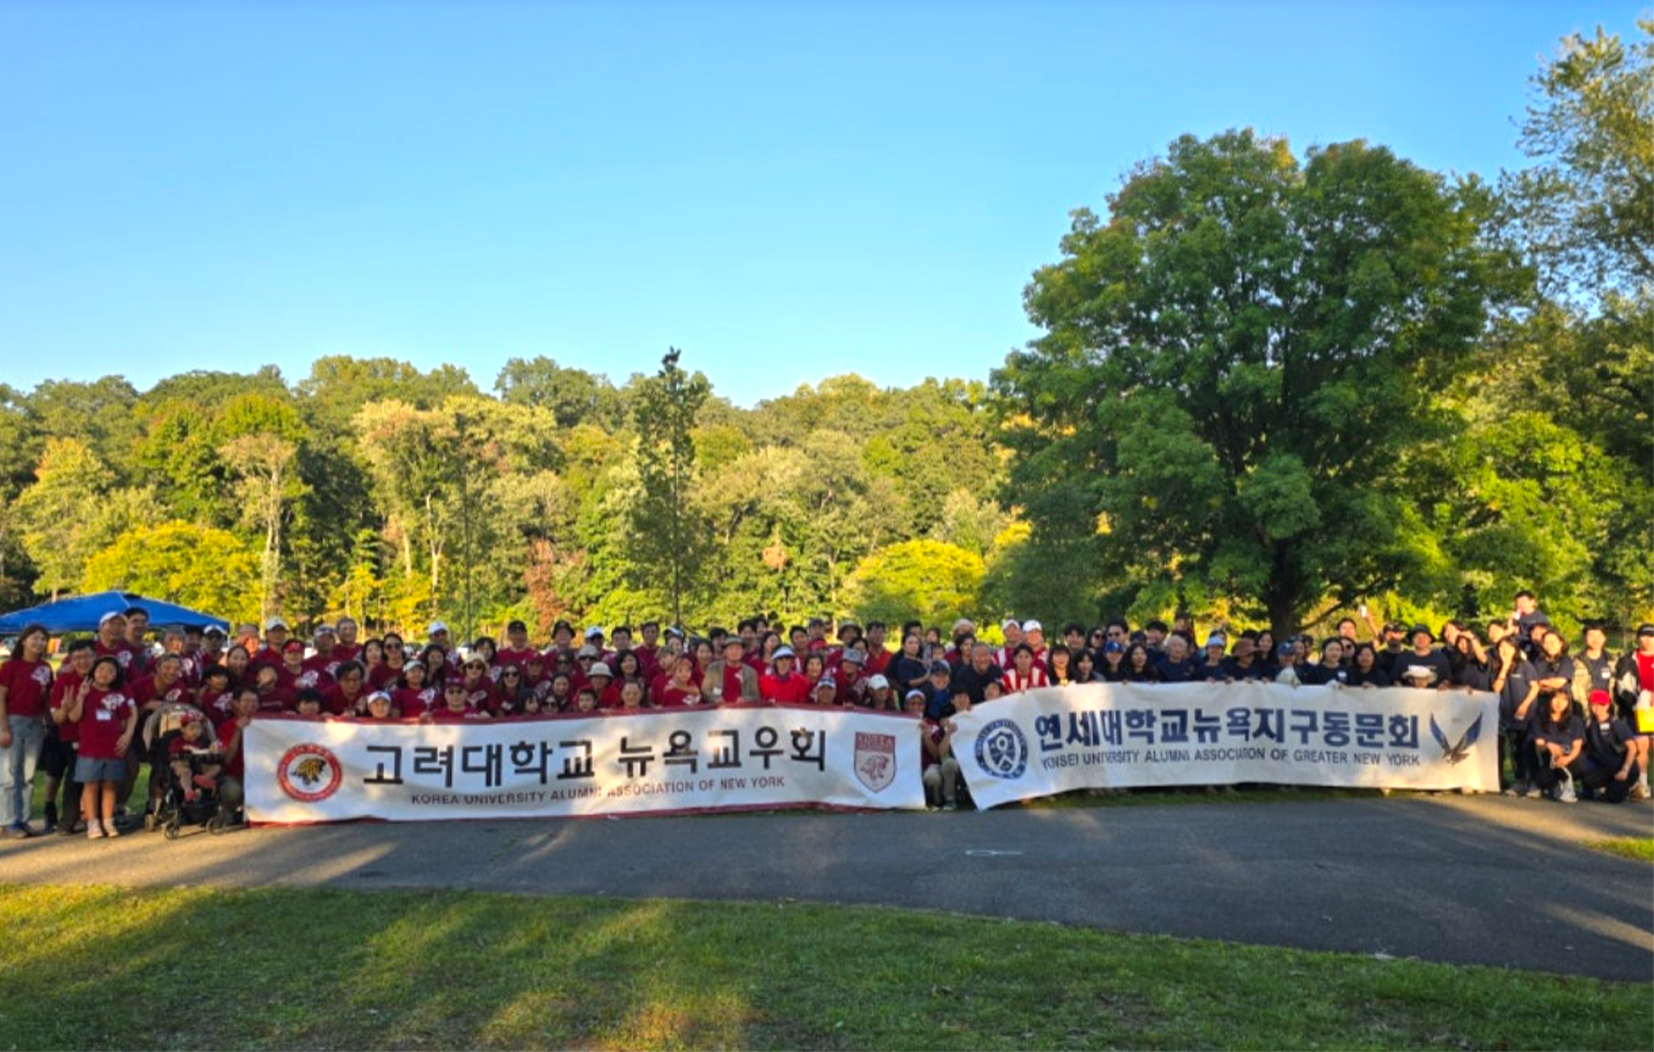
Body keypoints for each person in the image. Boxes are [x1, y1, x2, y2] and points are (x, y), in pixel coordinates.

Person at [66, 656, 136, 839]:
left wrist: (126, 735)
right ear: (93, 671)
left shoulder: (118, 695)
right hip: (90, 748)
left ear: (116, 676)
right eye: (100, 669)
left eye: (110, 671)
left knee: (110, 786)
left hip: (112, 748)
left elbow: (127, 717)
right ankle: (92, 822)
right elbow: (74, 717)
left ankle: (107, 820)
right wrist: (80, 696)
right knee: (90, 786)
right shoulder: (85, 692)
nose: (104, 674)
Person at [0, 623, 53, 837]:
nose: (39, 643)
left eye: (43, 639)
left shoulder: (46, 668)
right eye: (35, 638)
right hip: (13, 720)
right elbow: (1, 697)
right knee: (10, 772)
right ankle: (8, 820)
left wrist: (48, 722)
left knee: (28, 774)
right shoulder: (10, 666)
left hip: (36, 722)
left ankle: (23, 818)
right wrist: (3, 726)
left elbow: (47, 697)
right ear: (24, 640)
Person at [1492, 635, 1541, 796]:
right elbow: (1496, 688)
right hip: (1508, 716)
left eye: (1508, 647)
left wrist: (1525, 705)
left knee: (1527, 748)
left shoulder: (1525, 666)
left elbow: (1535, 687)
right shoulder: (1497, 667)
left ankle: (1533, 782)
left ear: (1515, 649)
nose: (1504, 651)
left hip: (1526, 715)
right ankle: (1520, 780)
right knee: (1515, 751)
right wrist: (1504, 668)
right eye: (1501, 648)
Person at [1610, 623, 1654, 801]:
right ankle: (1642, 784)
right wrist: (1639, 703)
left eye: (1651, 636)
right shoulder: (1628, 660)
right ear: (1638, 639)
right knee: (1641, 745)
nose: (1648, 640)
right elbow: (1623, 688)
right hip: (1638, 710)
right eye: (1644, 636)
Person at [1580, 690, 1640, 804]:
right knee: (1588, 780)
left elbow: (1632, 748)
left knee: (1613, 797)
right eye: (1594, 704)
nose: (1598, 707)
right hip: (1606, 767)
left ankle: (1628, 786)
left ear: (1607, 705)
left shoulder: (1616, 724)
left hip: (1623, 767)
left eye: (1601, 704)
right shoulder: (1589, 724)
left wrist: (1625, 770)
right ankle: (1607, 787)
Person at [908, 688, 959, 810]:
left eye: (920, 704)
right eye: (912, 703)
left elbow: (936, 755)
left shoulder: (931, 724)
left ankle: (944, 800)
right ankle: (934, 799)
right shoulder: (900, 723)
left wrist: (926, 737)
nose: (916, 706)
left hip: (929, 766)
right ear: (906, 705)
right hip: (908, 769)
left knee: (934, 775)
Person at [1530, 690, 1584, 803]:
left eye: (1564, 699)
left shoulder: (1575, 721)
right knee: (1541, 778)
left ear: (1568, 703)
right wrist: (1548, 745)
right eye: (1556, 698)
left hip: (1570, 760)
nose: (1559, 703)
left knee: (1581, 766)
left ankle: (1567, 786)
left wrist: (1567, 759)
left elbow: (1577, 746)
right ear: (1550, 700)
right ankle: (1556, 786)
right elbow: (1539, 745)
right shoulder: (1538, 720)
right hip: (1551, 762)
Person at [1391, 625, 1453, 691]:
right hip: (1408, 698)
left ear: (1430, 639)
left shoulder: (1441, 659)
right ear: (1412, 640)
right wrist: (1400, 689)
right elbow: (1395, 679)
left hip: (1435, 699)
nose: (1421, 639)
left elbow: (1448, 679)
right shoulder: (1402, 658)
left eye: (1424, 637)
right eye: (1417, 637)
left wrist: (1444, 684)